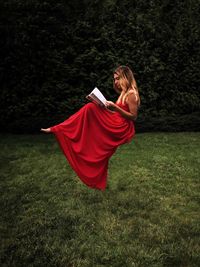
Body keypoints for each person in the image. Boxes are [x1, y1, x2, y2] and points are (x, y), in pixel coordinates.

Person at [41, 65, 140, 190]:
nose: (115, 82)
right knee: (91, 107)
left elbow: (133, 117)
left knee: (90, 108)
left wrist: (115, 107)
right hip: (116, 120)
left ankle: (59, 129)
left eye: (117, 78)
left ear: (126, 77)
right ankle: (59, 129)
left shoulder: (131, 94)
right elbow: (117, 112)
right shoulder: (124, 93)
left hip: (121, 127)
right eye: (114, 79)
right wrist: (105, 107)